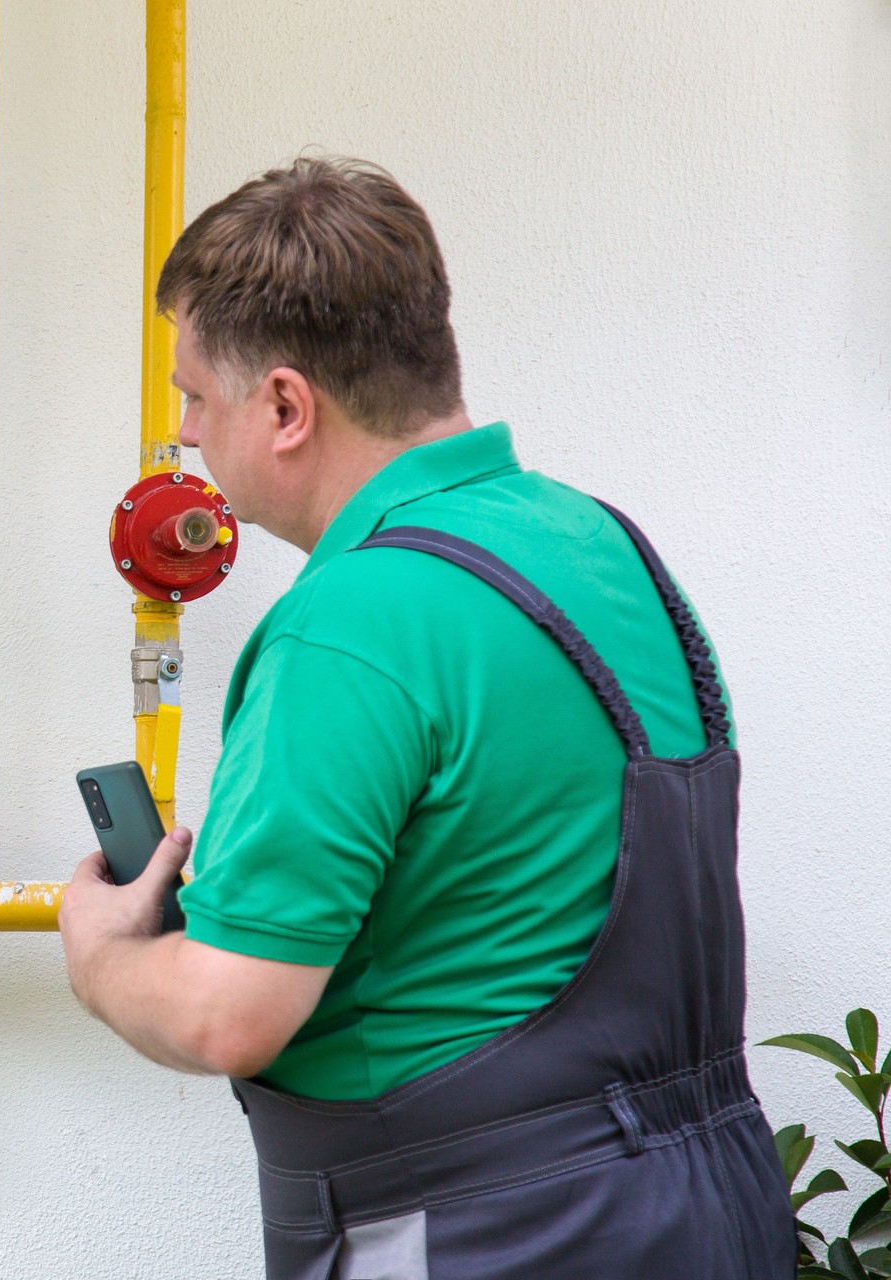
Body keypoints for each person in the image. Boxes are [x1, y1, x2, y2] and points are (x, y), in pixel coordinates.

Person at [57, 156, 794, 1279]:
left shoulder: (349, 622)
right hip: (714, 1211)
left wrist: (102, 954)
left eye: (197, 395)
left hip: (488, 1233)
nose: (189, 434)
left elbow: (228, 1012)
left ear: (287, 405)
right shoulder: (602, 544)